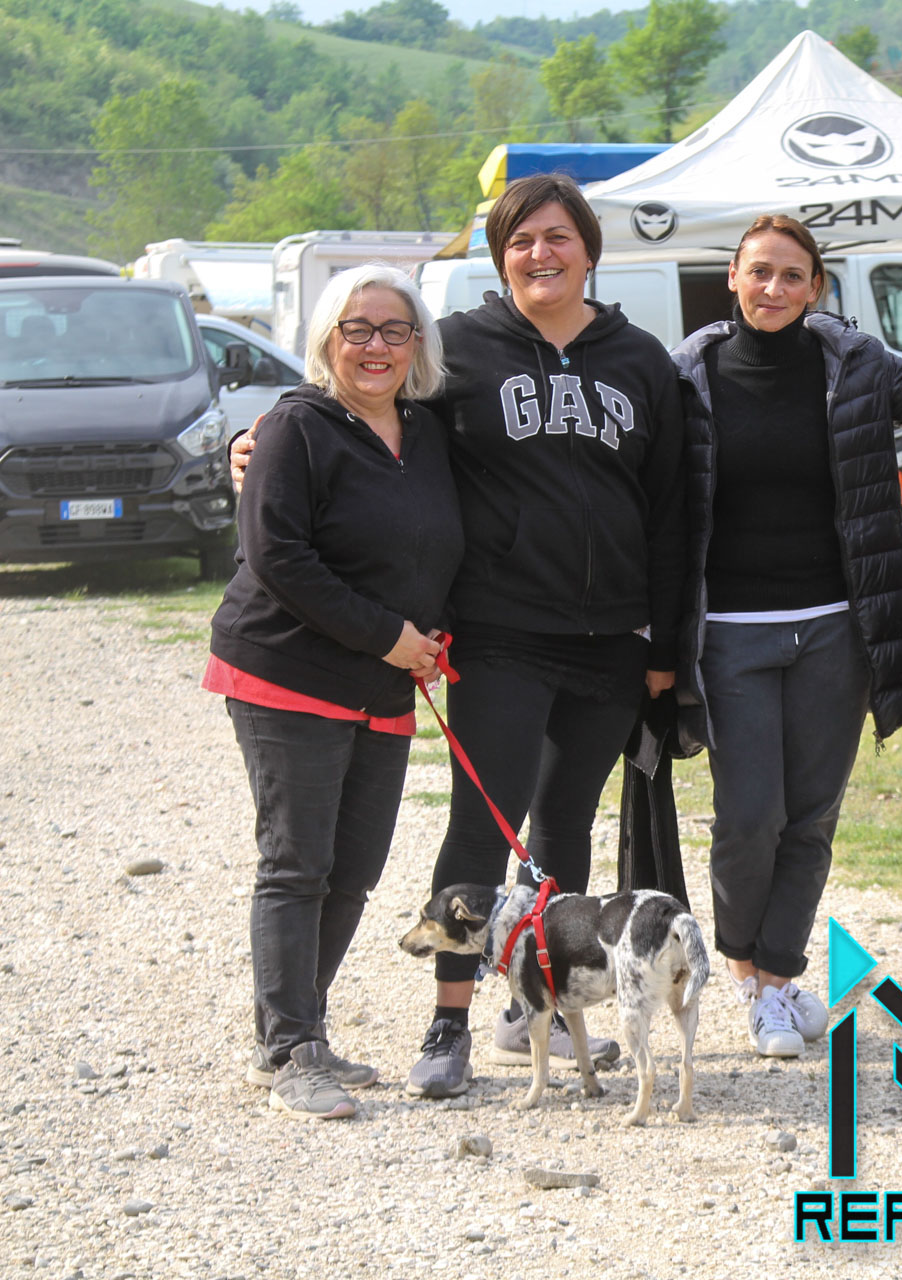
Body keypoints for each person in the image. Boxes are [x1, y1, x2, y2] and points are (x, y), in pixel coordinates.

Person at [235, 174, 688, 1098]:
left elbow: (673, 506)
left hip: (609, 639)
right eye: (520, 241)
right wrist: (260, 438)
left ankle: (536, 1011)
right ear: (499, 257)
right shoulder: (462, 349)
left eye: (557, 237)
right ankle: (448, 1025)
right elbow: (361, 407)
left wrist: (665, 646)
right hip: (501, 632)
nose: (540, 254)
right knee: (483, 829)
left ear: (589, 249)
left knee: (563, 831)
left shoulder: (641, 359)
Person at [670, 214, 902, 1056]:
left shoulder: (857, 365)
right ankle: (746, 968)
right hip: (730, 633)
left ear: (817, 288)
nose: (774, 288)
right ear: (732, 277)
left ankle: (775, 982)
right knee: (750, 815)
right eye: (759, 272)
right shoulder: (685, 375)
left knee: (812, 816)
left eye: (793, 275)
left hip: (836, 628)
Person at [206, 264, 461, 1119]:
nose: (376, 346)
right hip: (288, 672)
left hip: (382, 680)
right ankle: (290, 1050)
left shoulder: (428, 433)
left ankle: (295, 1030)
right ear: (327, 339)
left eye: (394, 330)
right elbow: (278, 556)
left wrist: (427, 635)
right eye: (358, 329)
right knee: (297, 864)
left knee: (353, 870)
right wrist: (391, 636)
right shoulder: (293, 429)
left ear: (418, 343)